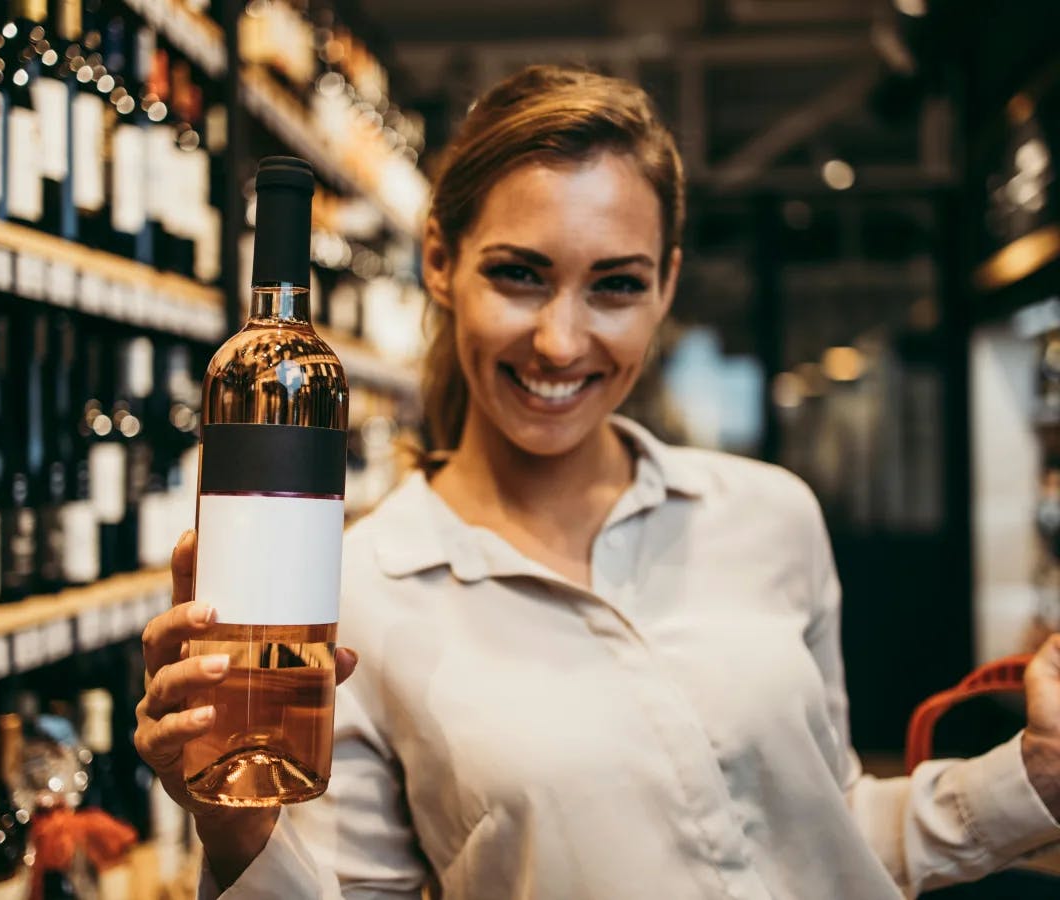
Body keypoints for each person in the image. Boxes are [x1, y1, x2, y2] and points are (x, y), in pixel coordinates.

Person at [135, 65, 1060, 899]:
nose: (562, 342)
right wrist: (237, 828)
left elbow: (826, 827)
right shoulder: (359, 595)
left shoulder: (770, 515)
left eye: (614, 286)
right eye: (520, 275)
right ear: (440, 262)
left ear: (666, 287)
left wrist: (1037, 775)